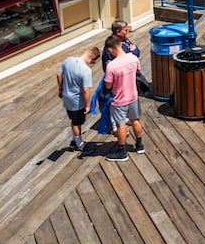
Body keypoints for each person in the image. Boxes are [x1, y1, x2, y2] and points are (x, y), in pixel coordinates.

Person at [102, 34, 145, 162]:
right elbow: (137, 72)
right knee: (135, 120)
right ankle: (140, 145)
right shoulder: (133, 58)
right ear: (120, 44)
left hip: (119, 99)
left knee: (121, 125)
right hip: (133, 96)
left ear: (110, 50)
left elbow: (108, 85)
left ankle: (122, 152)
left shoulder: (111, 66)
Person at [57, 46, 99, 154]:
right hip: (77, 100)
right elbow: (86, 90)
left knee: (73, 120)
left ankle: (73, 140)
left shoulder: (68, 60)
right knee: (77, 123)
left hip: (66, 97)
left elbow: (58, 74)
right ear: (92, 58)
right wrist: (88, 105)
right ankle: (80, 145)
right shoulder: (85, 70)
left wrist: (61, 88)